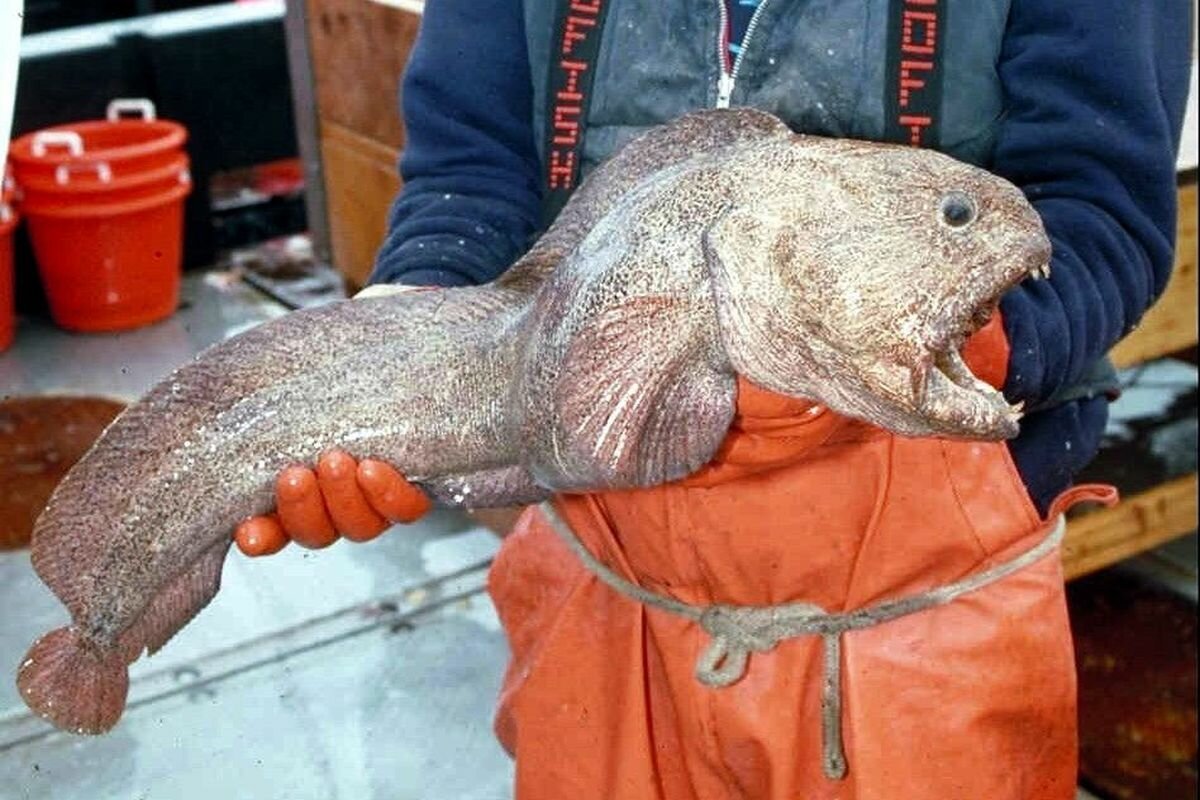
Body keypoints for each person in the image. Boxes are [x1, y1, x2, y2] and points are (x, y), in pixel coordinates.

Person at [234, 1, 1192, 796]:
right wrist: (404, 333)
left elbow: (1098, 210)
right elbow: (472, 171)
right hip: (606, 585)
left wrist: (949, 349)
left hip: (917, 623)